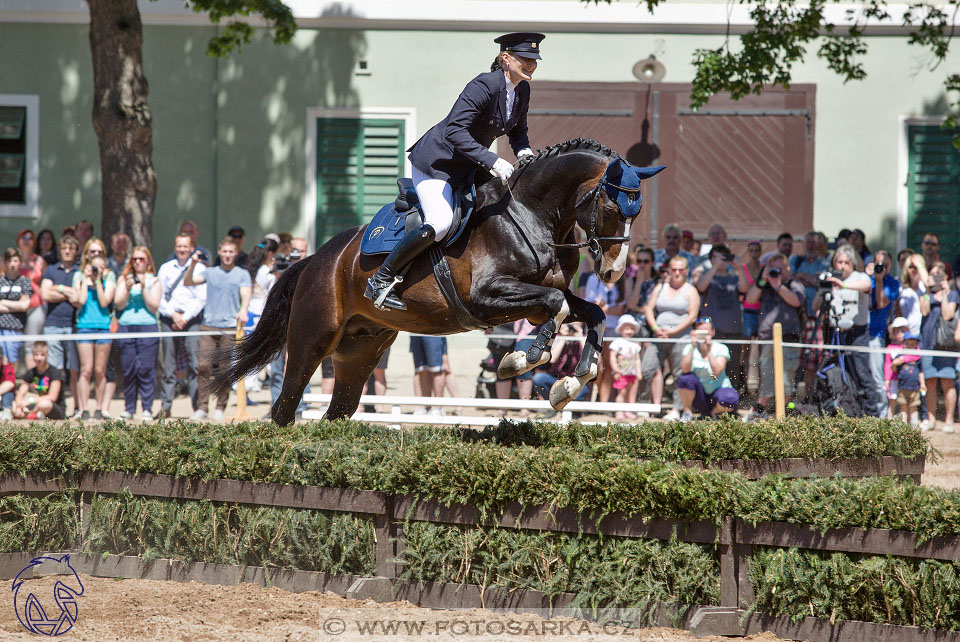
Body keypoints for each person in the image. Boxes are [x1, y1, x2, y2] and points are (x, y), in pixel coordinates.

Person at [366, 32, 544, 310]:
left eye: (534, 59)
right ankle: (380, 279)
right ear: (506, 58)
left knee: (502, 207)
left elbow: (518, 131)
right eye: (525, 59)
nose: (531, 64)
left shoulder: (522, 90)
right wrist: (492, 159)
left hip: (468, 165)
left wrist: (523, 151)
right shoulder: (484, 84)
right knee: (440, 223)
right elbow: (454, 131)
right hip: (437, 163)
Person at [185, 236, 251, 420]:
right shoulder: (210, 272)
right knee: (204, 366)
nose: (228, 255)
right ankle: (202, 408)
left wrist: (243, 310)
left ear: (236, 253)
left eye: (231, 252)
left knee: (224, 369)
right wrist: (192, 264)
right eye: (225, 251)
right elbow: (188, 281)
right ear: (220, 252)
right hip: (208, 326)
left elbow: (246, 293)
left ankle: (220, 407)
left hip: (229, 327)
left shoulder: (242, 274)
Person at [745, 252, 805, 420]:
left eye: (779, 269)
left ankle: (785, 409)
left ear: (787, 268)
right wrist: (763, 279)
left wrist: (778, 286)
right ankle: (760, 408)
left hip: (788, 337)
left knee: (787, 375)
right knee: (767, 373)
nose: (776, 273)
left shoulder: (794, 284)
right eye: (773, 269)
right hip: (767, 338)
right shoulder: (765, 284)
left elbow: (796, 301)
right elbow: (750, 299)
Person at [814, 244, 873, 415]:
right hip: (836, 333)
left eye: (846, 262)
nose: (842, 266)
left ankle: (871, 414)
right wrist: (824, 288)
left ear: (853, 263)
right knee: (838, 373)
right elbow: (815, 306)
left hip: (857, 333)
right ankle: (845, 410)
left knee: (862, 374)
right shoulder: (832, 279)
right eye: (839, 262)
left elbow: (867, 284)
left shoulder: (858, 276)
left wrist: (844, 286)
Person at [642, 255, 700, 419]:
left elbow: (692, 317)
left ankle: (677, 409)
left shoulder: (691, 290)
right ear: (669, 270)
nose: (677, 273)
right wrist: (655, 328)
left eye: (680, 270)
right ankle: (646, 406)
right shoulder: (660, 287)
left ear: (686, 271)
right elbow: (648, 309)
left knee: (679, 374)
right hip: (659, 336)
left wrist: (672, 332)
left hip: (680, 338)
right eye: (674, 269)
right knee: (647, 368)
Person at [157, 233, 207, 418]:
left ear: (191, 248)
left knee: (194, 365)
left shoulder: (200, 268)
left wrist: (185, 317)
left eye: (185, 246)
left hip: (191, 320)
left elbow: (202, 298)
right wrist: (173, 315)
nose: (182, 249)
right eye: (179, 246)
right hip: (170, 318)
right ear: (174, 247)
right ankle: (165, 408)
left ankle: (197, 408)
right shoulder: (165, 268)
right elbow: (159, 296)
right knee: (169, 367)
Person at [114, 246, 161, 420]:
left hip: (147, 327)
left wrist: (143, 289)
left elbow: (154, 306)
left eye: (141, 259)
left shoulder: (154, 280)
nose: (138, 262)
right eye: (135, 259)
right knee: (129, 370)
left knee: (146, 369)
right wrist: (126, 288)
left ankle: (147, 408)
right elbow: (118, 304)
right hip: (126, 326)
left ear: (148, 260)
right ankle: (129, 408)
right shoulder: (123, 278)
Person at [71, 238, 116, 420]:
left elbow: (105, 301)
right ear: (87, 255)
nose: (96, 256)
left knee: (100, 370)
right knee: (86, 370)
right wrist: (86, 278)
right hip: (84, 327)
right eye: (93, 252)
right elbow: (80, 302)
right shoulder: (79, 275)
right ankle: (83, 409)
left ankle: (99, 408)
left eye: (100, 253)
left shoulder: (109, 276)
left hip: (103, 327)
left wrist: (97, 281)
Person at [694, 243, 747, 390]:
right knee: (710, 366)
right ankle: (709, 401)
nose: (722, 260)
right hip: (712, 331)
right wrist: (714, 267)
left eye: (725, 257)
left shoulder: (734, 276)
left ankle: (731, 404)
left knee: (733, 367)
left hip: (733, 329)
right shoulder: (707, 273)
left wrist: (739, 268)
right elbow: (701, 286)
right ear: (711, 259)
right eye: (718, 257)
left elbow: (745, 289)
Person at [40, 235, 81, 413]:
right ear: (59, 249)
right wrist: (66, 290)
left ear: (76, 251)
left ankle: (78, 408)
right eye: (64, 248)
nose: (67, 251)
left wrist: (56, 289)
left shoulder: (79, 271)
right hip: (53, 325)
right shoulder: (51, 270)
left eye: (71, 249)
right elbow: (45, 294)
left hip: (74, 326)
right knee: (55, 369)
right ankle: (56, 407)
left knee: (74, 369)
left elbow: (78, 299)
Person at [919, 260, 958, 432]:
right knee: (930, 381)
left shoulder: (953, 294)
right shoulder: (925, 293)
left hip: (946, 345)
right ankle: (931, 419)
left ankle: (949, 420)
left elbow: (948, 315)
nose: (935, 279)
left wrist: (944, 293)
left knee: (947, 381)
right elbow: (924, 311)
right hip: (927, 343)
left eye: (938, 275)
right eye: (932, 275)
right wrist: (928, 290)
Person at [677, 317, 739, 421]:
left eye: (706, 331)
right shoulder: (689, 348)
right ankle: (687, 413)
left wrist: (709, 351)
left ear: (712, 332)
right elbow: (685, 370)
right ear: (694, 332)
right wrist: (692, 347)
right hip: (699, 395)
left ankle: (716, 413)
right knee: (685, 379)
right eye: (700, 331)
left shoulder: (721, 348)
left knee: (730, 397)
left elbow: (717, 372)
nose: (703, 335)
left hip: (718, 390)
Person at [866, 250, 900, 417]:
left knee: (878, 379)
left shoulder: (892, 283)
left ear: (890, 265)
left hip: (876, 335)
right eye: (879, 264)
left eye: (885, 265)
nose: (882, 267)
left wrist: (878, 280)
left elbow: (881, 303)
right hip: (858, 334)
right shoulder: (866, 279)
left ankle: (880, 415)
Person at [0, 248, 33, 415]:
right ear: (5, 263)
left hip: (16, 331)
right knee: (2, 369)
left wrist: (3, 303)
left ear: (20, 262)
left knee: (11, 371)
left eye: (16, 261)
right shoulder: (0, 282)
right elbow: (19, 305)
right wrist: (16, 304)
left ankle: (8, 405)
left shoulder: (25, 282)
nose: (13, 264)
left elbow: (24, 305)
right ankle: (5, 405)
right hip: (1, 330)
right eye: (10, 261)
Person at [532, 322, 590, 405]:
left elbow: (589, 358)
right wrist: (563, 338)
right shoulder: (556, 338)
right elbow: (553, 359)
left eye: (575, 324)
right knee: (538, 378)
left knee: (582, 391)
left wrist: (580, 338)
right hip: (556, 379)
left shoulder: (584, 339)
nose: (571, 327)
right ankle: (552, 406)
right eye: (568, 324)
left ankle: (573, 411)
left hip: (576, 380)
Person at [12, 341, 66, 420]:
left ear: (47, 355)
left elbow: (52, 397)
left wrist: (29, 401)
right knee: (14, 405)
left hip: (54, 407)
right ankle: (32, 415)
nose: (39, 358)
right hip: (38, 405)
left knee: (44, 404)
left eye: (42, 355)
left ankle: (30, 415)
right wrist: (19, 405)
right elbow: (21, 393)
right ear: (32, 356)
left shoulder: (55, 372)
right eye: (36, 355)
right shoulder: (31, 372)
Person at [16, 230, 46, 368]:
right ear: (18, 240)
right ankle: (12, 380)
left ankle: (32, 384)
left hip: (35, 306)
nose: (27, 240)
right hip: (15, 307)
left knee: (31, 344)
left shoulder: (39, 260)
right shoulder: (11, 260)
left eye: (30, 238)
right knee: (14, 344)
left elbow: (45, 282)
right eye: (24, 237)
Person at [608, 315, 642, 419]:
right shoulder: (617, 342)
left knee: (631, 393)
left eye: (632, 328)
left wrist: (639, 372)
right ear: (621, 329)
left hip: (632, 373)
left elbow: (637, 359)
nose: (630, 331)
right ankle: (619, 411)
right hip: (621, 372)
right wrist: (615, 369)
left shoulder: (635, 344)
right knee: (622, 392)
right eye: (627, 328)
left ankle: (628, 411)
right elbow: (612, 356)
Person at [891, 332, 925, 426]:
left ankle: (914, 424)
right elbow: (894, 369)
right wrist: (894, 364)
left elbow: (921, 372)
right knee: (903, 406)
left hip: (915, 388)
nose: (910, 346)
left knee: (913, 407)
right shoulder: (899, 356)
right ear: (903, 344)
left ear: (916, 345)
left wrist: (922, 384)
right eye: (907, 344)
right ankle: (903, 424)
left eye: (913, 344)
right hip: (902, 387)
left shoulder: (918, 358)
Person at [409, 335, 447, 415]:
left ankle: (439, 408)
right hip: (415, 332)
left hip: (433, 332)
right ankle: (426, 406)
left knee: (436, 370)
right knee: (421, 369)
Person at [883, 317, 910, 419]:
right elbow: (887, 364)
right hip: (893, 380)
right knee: (892, 401)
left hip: (905, 380)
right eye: (897, 331)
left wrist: (902, 359)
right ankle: (888, 421)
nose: (900, 334)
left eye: (902, 331)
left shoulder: (910, 348)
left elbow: (916, 356)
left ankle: (904, 423)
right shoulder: (890, 348)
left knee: (904, 403)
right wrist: (886, 380)